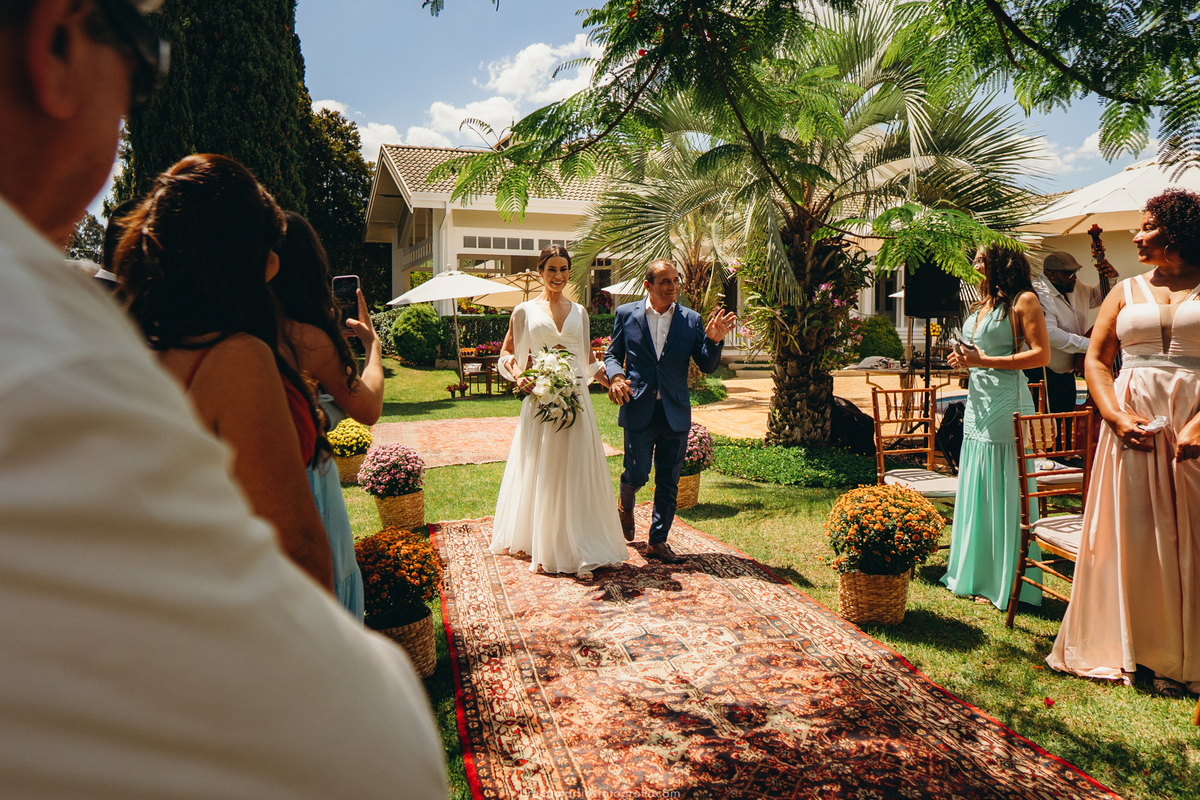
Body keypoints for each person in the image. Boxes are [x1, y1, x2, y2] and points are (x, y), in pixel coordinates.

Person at [0, 1, 447, 796]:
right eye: (146, 57)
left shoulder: (133, 337)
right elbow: (303, 559)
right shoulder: (230, 357)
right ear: (57, 40)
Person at [116, 154, 334, 591]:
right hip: (239, 597)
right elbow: (297, 545)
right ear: (241, 256)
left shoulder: (125, 344)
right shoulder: (232, 356)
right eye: (269, 247)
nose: (275, 261)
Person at [1048, 188, 1200, 698]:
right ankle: (1143, 651)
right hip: (1131, 424)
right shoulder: (1123, 291)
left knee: (1194, 538)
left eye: (1147, 226)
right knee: (1137, 534)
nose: (1136, 235)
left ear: (1176, 232)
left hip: (1195, 424)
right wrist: (1113, 416)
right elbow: (1096, 360)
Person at [491, 245, 628, 579]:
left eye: (563, 270)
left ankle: (582, 542)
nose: (558, 276)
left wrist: (612, 381)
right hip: (540, 399)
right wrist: (516, 373)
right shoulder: (523, 311)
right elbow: (506, 353)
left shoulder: (580, 312)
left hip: (577, 401)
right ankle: (544, 541)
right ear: (540, 271)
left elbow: (587, 361)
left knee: (576, 469)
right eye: (551, 269)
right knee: (545, 469)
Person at [274, 210, 384, 619]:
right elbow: (367, 407)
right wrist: (372, 348)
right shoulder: (309, 339)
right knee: (328, 584)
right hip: (306, 478)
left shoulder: (242, 329)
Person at [606, 259, 737, 563]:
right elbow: (613, 354)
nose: (673, 286)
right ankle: (625, 505)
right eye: (665, 281)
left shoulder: (691, 319)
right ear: (648, 285)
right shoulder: (627, 314)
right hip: (638, 407)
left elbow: (705, 363)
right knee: (636, 473)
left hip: (675, 411)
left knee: (668, 481)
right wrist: (616, 376)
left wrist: (714, 341)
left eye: (675, 280)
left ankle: (658, 541)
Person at [943, 245, 1050, 609]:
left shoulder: (1025, 301)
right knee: (979, 482)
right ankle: (975, 572)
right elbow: (978, 357)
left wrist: (983, 359)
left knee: (1006, 484)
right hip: (978, 400)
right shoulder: (982, 305)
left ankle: (1006, 578)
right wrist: (965, 360)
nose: (973, 264)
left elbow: (1041, 355)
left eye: (980, 259)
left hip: (1007, 403)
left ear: (1000, 263)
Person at [1024, 251, 1117, 415]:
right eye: (1068, 273)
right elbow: (1050, 334)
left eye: (1075, 272)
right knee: (1047, 428)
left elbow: (1097, 297)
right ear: (1051, 274)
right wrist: (1091, 345)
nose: (1074, 276)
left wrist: (1109, 278)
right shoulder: (1038, 293)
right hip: (1044, 372)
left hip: (1067, 371)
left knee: (1065, 421)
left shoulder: (1074, 285)